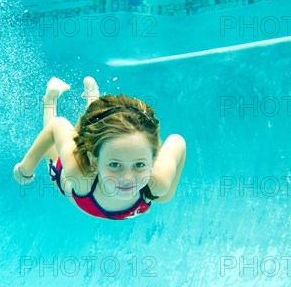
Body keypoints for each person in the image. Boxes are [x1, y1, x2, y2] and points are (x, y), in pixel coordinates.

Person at [14, 76, 186, 220]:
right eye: (115, 165)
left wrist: (166, 194)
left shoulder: (158, 184)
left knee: (99, 136)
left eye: (139, 165)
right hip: (78, 186)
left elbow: (178, 142)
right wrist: (24, 170)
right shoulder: (78, 174)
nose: (127, 178)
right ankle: (50, 99)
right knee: (55, 157)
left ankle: (93, 102)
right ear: (93, 162)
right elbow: (56, 126)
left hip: (109, 157)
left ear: (154, 161)